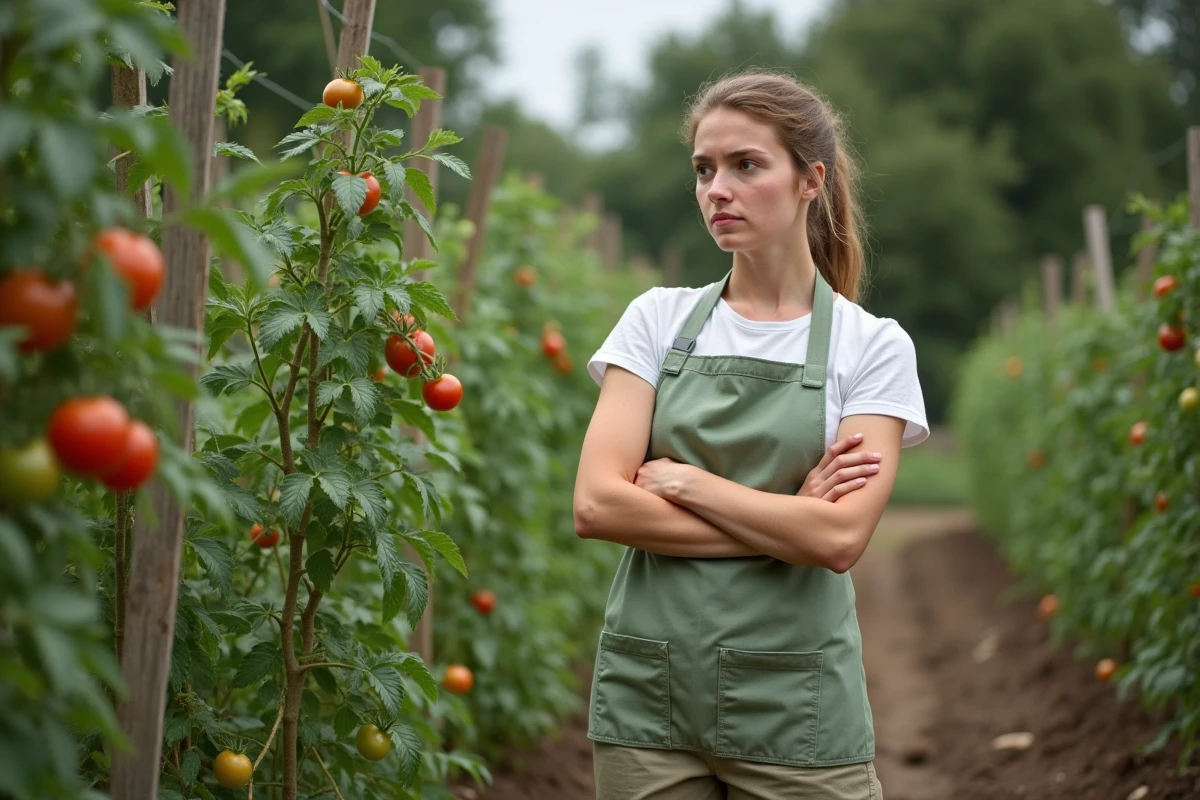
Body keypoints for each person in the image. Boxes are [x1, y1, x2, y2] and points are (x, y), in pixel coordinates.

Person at [572, 70, 930, 800]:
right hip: (649, 700)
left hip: (797, 710)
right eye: (704, 170)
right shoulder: (656, 320)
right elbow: (598, 507)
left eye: (746, 165)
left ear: (811, 181)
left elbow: (838, 541)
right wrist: (786, 518)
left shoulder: (873, 347)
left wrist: (686, 482)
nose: (717, 190)